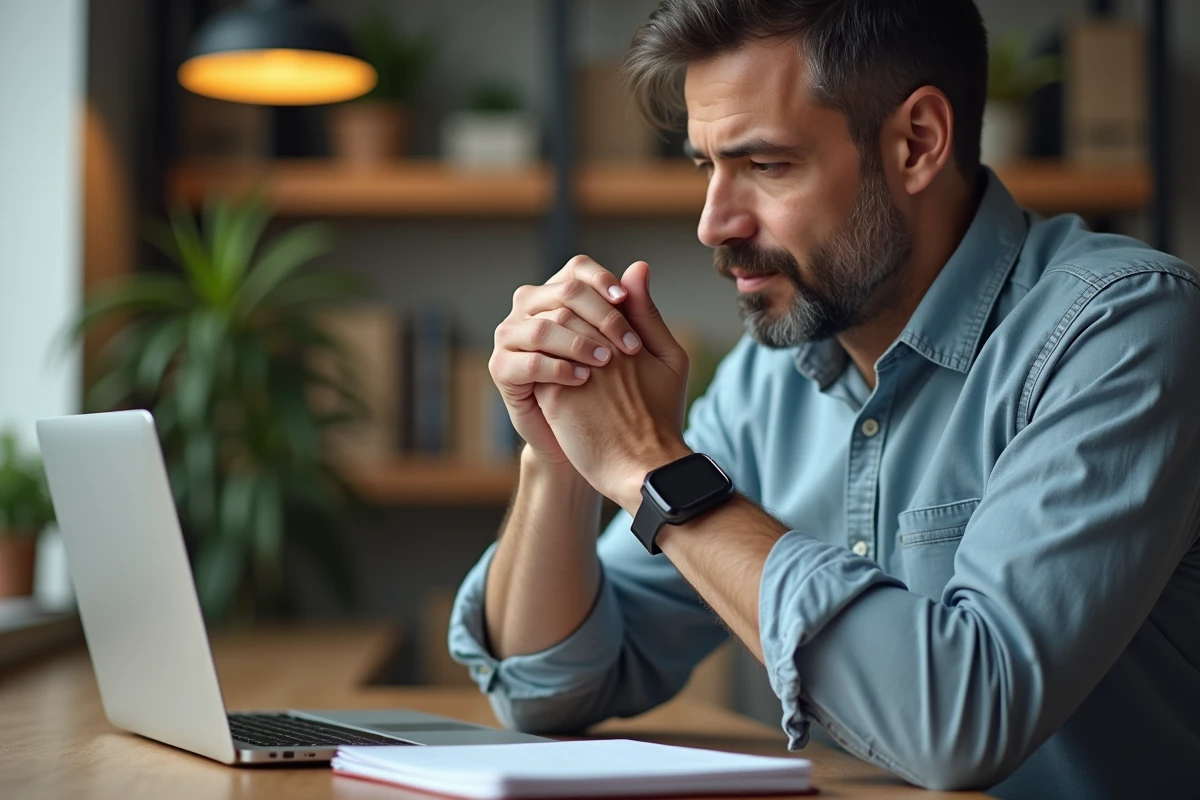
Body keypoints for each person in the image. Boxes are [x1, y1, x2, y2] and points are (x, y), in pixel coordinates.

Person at [448, 1, 1200, 797]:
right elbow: (550, 686)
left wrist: (650, 466)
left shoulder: (1123, 331)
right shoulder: (769, 379)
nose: (713, 223)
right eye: (706, 167)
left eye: (766, 165)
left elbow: (961, 723)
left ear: (917, 143)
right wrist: (564, 453)